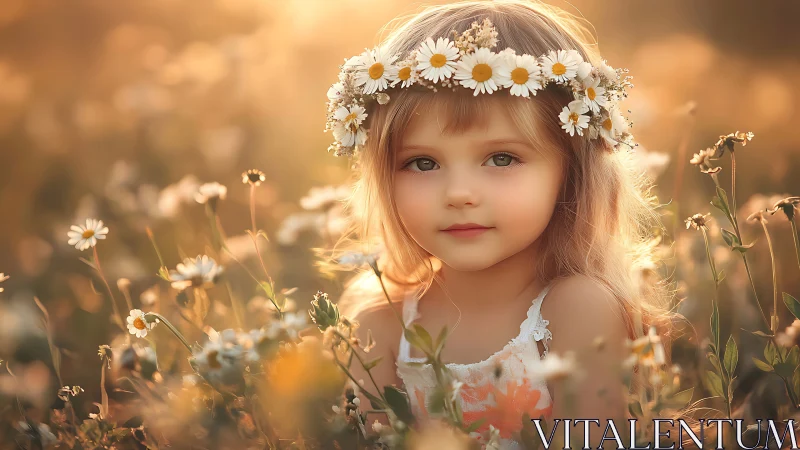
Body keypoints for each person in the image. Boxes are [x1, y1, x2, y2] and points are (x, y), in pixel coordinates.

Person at [324, 1, 682, 447]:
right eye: (421, 162)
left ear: (569, 170)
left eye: (501, 158)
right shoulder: (381, 325)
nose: (459, 193)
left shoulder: (577, 309)